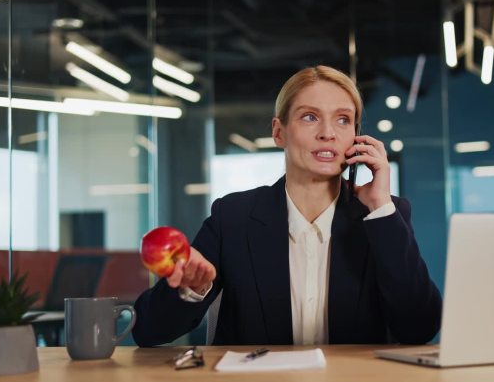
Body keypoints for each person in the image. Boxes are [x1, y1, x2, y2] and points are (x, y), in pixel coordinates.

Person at [132, 65, 442, 346]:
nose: (327, 133)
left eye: (343, 120)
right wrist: (192, 288)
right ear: (279, 132)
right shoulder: (234, 217)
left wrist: (380, 206)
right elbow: (147, 330)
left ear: (357, 138)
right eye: (310, 117)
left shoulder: (386, 216)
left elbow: (419, 328)